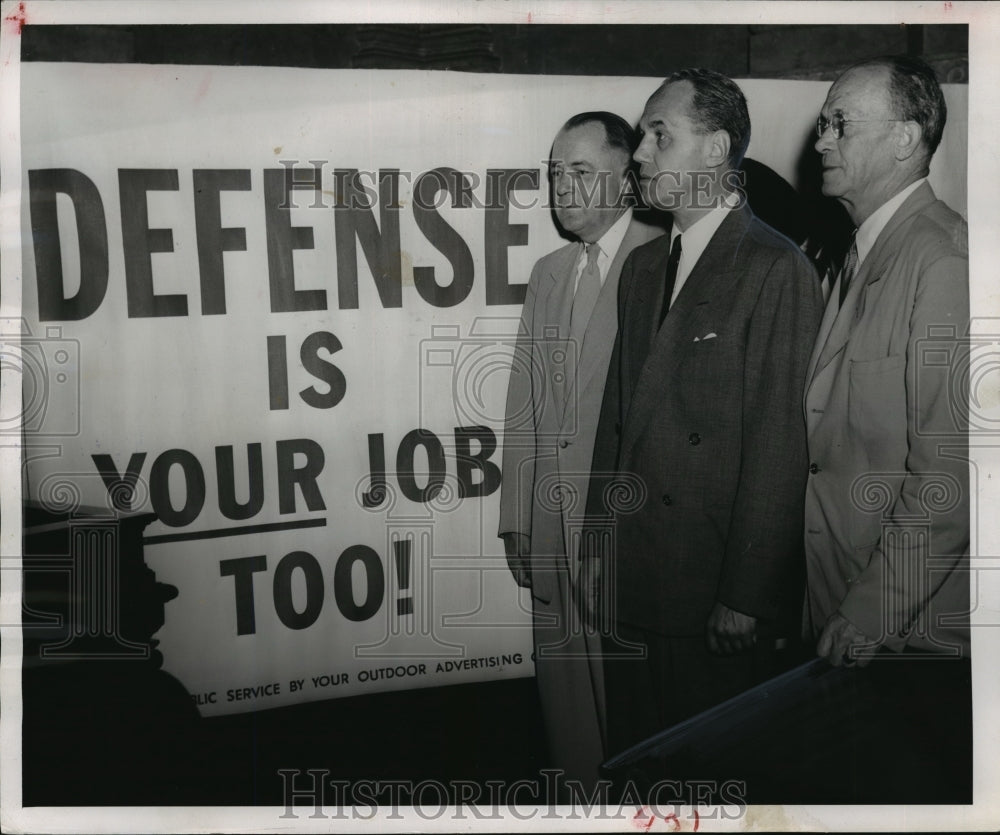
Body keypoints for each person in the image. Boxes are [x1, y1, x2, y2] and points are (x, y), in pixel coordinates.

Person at [584, 69, 823, 758]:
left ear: (716, 149)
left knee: (709, 779)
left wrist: (746, 595)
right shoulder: (640, 269)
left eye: (660, 135)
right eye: (642, 137)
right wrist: (598, 546)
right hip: (634, 576)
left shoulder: (775, 268)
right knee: (636, 768)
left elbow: (779, 445)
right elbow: (616, 420)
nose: (639, 153)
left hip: (709, 589)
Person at [498, 111, 661, 788]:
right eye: (555, 171)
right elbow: (524, 399)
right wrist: (516, 515)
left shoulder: (666, 258)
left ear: (625, 178)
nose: (562, 186)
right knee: (568, 726)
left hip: (624, 534)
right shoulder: (549, 272)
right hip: (548, 531)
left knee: (637, 727)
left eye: (581, 171)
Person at [805, 55, 970, 665]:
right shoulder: (858, 253)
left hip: (904, 634)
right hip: (840, 610)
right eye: (823, 124)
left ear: (904, 139)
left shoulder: (945, 262)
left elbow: (950, 477)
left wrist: (871, 611)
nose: (821, 141)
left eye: (841, 124)